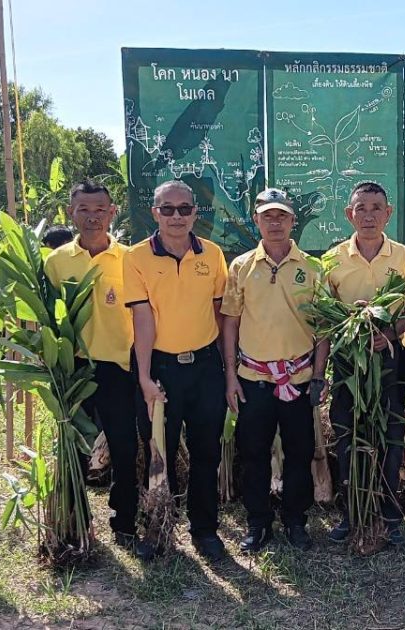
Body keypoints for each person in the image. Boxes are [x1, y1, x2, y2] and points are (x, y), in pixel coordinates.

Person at [43, 180, 153, 560]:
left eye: (99, 210)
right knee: (72, 447)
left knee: (124, 446)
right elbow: (45, 319)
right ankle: (74, 523)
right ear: (70, 213)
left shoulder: (130, 259)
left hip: (118, 366)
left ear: (112, 213)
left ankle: (124, 522)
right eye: (83, 209)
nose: (92, 217)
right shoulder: (56, 262)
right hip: (72, 368)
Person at [123, 180, 230, 562]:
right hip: (160, 367)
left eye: (184, 208)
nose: (176, 216)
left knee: (206, 451)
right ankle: (156, 529)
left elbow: (220, 315)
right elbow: (142, 319)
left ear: (195, 214)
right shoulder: (136, 257)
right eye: (167, 209)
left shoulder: (212, 255)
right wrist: (145, 378)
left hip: (205, 367)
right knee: (158, 450)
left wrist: (227, 371)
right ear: (155, 213)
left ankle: (205, 530)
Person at [221, 188, 328, 553]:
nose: (275, 222)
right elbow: (230, 322)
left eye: (282, 215)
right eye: (268, 216)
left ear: (293, 220)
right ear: (257, 221)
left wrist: (318, 374)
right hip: (254, 380)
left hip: (298, 379)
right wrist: (231, 375)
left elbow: (323, 327)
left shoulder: (312, 268)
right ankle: (258, 522)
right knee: (253, 454)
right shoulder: (241, 267)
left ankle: (296, 520)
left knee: (299, 453)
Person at [322, 181, 405, 548]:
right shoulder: (332, 259)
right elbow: (324, 313)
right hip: (348, 361)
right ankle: (351, 514)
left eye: (376, 208)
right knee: (348, 435)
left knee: (390, 436)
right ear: (349, 214)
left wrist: (390, 333)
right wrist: (350, 328)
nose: (368, 215)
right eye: (361, 209)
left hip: (389, 359)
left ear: (388, 213)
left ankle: (390, 517)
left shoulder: (404, 257)